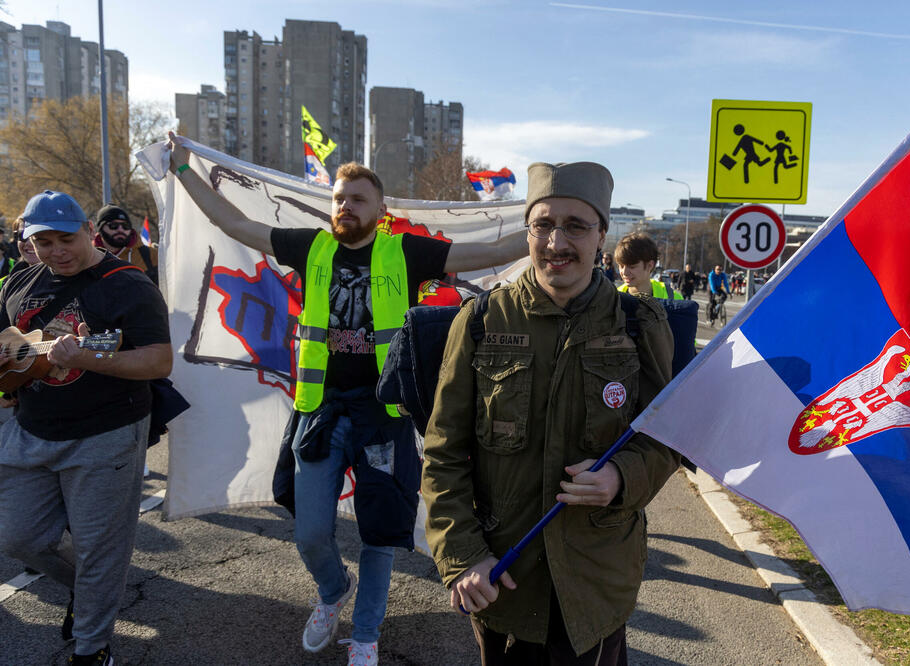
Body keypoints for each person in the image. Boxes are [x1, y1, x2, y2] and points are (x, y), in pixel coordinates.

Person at [166, 132, 527, 664]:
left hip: (382, 418)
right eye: (339, 197)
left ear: (380, 209)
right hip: (322, 412)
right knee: (311, 532)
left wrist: (548, 229)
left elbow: (492, 250)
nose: (345, 206)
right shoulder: (311, 245)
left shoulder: (403, 250)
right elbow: (234, 224)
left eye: (357, 199)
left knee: (380, 534)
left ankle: (365, 634)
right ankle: (333, 591)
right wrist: (182, 169)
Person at [422, 161, 680, 665]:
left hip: (597, 581)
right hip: (505, 578)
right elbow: (443, 451)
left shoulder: (639, 324)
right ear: (528, 232)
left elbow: (668, 438)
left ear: (602, 236)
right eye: (543, 225)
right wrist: (462, 556)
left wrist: (620, 479)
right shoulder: (479, 322)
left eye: (576, 226)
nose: (557, 242)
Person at [0, 190, 172, 665]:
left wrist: (90, 356)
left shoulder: (128, 284)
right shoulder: (21, 281)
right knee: (19, 539)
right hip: (31, 428)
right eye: (44, 242)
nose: (57, 251)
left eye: (66, 239)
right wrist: (9, 368)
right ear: (29, 242)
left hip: (107, 433)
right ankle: (94, 587)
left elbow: (159, 360)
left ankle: (92, 647)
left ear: (87, 232)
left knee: (100, 549)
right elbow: (6, 337)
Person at [93, 204, 159, 286]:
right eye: (114, 225)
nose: (120, 229)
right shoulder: (88, 256)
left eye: (125, 226)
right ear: (100, 228)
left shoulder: (151, 255)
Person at [613, 232, 680, 300]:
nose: (624, 272)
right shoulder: (613, 299)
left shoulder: (674, 298)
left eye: (632, 267)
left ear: (650, 265)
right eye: (621, 266)